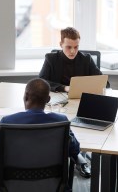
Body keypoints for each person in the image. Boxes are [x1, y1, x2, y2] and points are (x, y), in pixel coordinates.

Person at [0, 78, 80, 192]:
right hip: (52, 185)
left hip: (7, 186)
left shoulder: (8, 122)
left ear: (25, 96)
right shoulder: (61, 122)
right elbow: (75, 150)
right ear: (48, 99)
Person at [39, 26, 104, 178]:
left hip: (81, 103)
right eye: (68, 47)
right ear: (61, 44)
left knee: (83, 125)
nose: (73, 51)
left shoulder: (86, 59)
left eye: (76, 47)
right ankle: (70, 156)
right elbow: (41, 81)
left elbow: (103, 82)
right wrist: (64, 87)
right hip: (57, 104)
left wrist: (91, 86)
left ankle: (79, 156)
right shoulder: (51, 59)